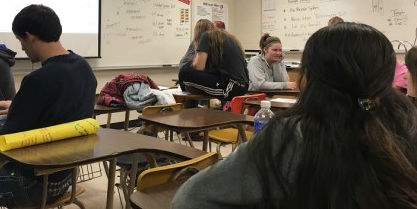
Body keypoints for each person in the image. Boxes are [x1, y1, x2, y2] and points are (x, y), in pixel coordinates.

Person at [172, 22, 417, 208]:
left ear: (310, 75)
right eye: (275, 50)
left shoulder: (291, 135)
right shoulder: (406, 125)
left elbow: (188, 198)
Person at [0, 4, 98, 208]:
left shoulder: (38, 80)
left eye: (20, 40)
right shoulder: (83, 68)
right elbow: (57, 112)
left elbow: (3, 141)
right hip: (63, 179)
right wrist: (19, 105)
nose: (22, 47)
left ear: (29, 36)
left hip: (28, 182)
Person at [178, 28, 248, 100]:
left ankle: (185, 100)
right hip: (242, 86)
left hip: (231, 88)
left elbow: (198, 66)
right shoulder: (230, 39)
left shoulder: (205, 36)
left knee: (184, 72)